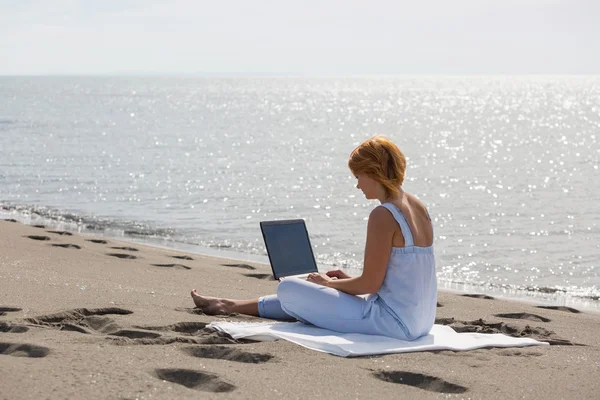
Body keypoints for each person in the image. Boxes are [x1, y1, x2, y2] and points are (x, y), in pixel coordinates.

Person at [191, 135, 437, 340]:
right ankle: (229, 305)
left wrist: (327, 283)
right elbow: (403, 279)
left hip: (393, 324)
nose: (358, 186)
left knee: (289, 287)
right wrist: (345, 281)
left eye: (358, 177)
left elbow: (370, 286)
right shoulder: (418, 206)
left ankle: (229, 305)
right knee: (309, 290)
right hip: (420, 321)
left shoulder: (383, 215)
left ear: (373, 173)